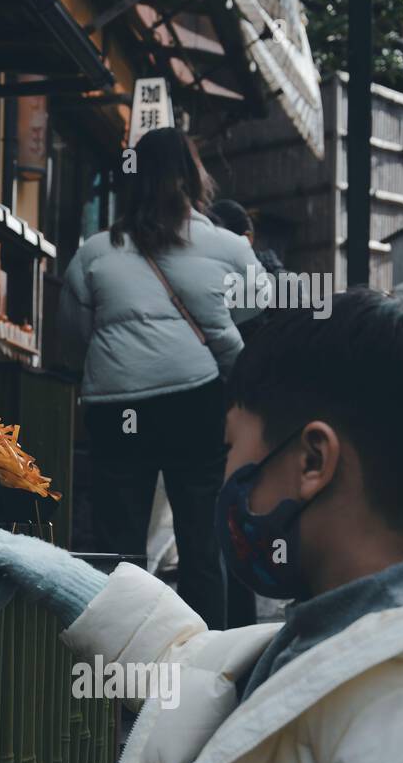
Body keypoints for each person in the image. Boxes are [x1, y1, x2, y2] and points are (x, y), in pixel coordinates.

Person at [0, 289, 403, 763]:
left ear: (312, 462)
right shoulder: (325, 637)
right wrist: (54, 572)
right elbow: (194, 669)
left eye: (231, 446)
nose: (226, 473)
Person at [60, 128, 263, 629]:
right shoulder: (229, 247)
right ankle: (205, 669)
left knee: (121, 552)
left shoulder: (93, 251)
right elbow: (254, 307)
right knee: (201, 544)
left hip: (114, 404)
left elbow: (73, 333)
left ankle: (125, 680)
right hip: (195, 402)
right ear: (195, 178)